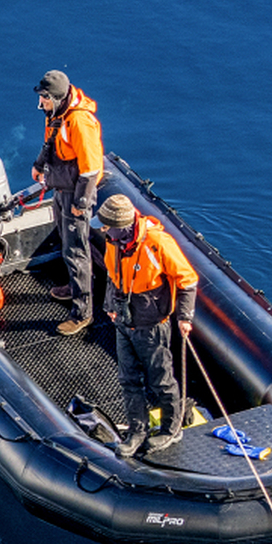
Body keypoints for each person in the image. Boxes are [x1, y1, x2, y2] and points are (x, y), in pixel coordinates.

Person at [97, 193, 198, 456]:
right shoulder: (114, 242)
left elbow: (187, 280)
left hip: (152, 324)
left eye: (109, 228)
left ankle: (170, 430)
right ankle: (136, 431)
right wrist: (110, 306)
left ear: (124, 226)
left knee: (161, 380)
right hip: (124, 320)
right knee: (128, 379)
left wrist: (185, 317)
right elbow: (112, 276)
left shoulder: (156, 243)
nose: (105, 232)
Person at [30, 70, 103, 336]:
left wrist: (81, 204)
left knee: (76, 250)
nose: (42, 103)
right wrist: (39, 165)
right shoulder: (56, 115)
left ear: (57, 98)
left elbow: (91, 169)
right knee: (64, 239)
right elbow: (50, 142)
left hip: (76, 193)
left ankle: (82, 312)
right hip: (61, 188)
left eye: (45, 98)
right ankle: (74, 287)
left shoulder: (79, 122)